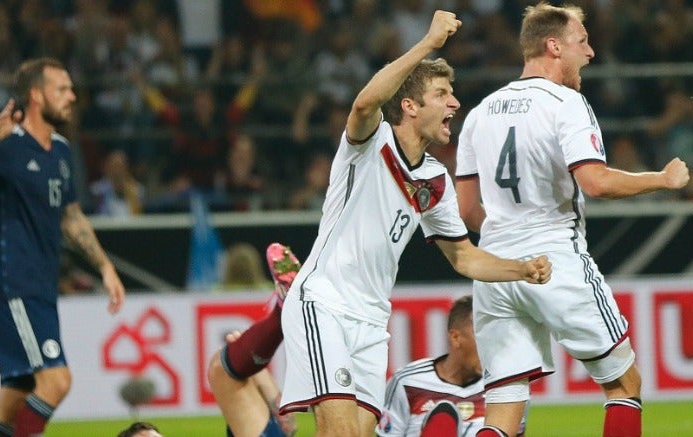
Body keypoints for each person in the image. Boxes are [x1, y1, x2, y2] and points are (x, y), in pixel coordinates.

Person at [278, 11, 551, 437]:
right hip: (325, 301)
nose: (454, 103)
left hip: (371, 321)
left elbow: (463, 257)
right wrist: (428, 43)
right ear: (409, 106)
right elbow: (365, 103)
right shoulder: (371, 143)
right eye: (442, 94)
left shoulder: (435, 181)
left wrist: (522, 268)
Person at [454, 4, 690, 437]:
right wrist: (661, 178)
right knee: (624, 383)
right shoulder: (566, 103)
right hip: (555, 258)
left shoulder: (480, 113)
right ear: (554, 45)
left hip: (495, 269)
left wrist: (510, 233)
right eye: (582, 41)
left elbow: (466, 210)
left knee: (503, 408)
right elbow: (595, 182)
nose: (592, 51)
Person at [0, 57, 126, 437]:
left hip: (41, 287)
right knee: (56, 381)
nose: (72, 96)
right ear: (36, 94)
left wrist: (105, 266)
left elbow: (71, 216)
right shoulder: (7, 149)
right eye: (61, 89)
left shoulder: (61, 152)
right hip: (15, 284)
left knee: (16, 395)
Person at [378, 295, 528, 437]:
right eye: (484, 337)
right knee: (442, 421)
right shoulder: (407, 382)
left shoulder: (507, 386)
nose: (492, 347)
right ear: (456, 338)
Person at [207, 243, 301, 437]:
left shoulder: (216, 290)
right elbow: (289, 425)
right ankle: (283, 313)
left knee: (226, 369)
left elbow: (289, 425)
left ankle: (283, 312)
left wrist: (250, 367)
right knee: (221, 368)